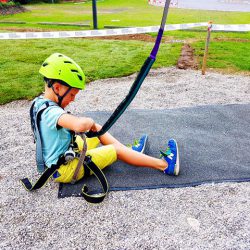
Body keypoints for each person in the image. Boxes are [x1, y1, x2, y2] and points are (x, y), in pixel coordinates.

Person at [31, 53, 180, 184]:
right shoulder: (51, 112)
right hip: (65, 168)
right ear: (57, 88)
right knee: (112, 147)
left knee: (97, 129)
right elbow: (79, 125)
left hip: (62, 156)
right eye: (72, 95)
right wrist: (87, 122)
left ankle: (130, 152)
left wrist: (91, 125)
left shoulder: (39, 103)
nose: (73, 99)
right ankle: (165, 165)